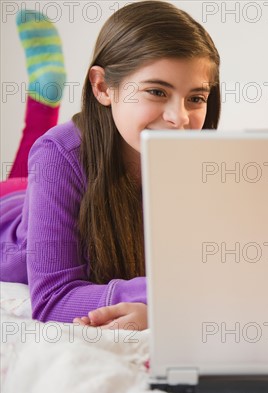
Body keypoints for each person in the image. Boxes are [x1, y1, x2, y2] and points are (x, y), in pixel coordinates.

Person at [0, 1, 221, 330]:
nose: (180, 118)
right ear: (102, 87)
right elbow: (52, 299)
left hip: (43, 185)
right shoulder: (58, 154)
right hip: (11, 216)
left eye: (196, 98)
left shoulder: (203, 162)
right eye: (157, 91)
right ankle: (43, 98)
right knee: (40, 154)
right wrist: (167, 296)